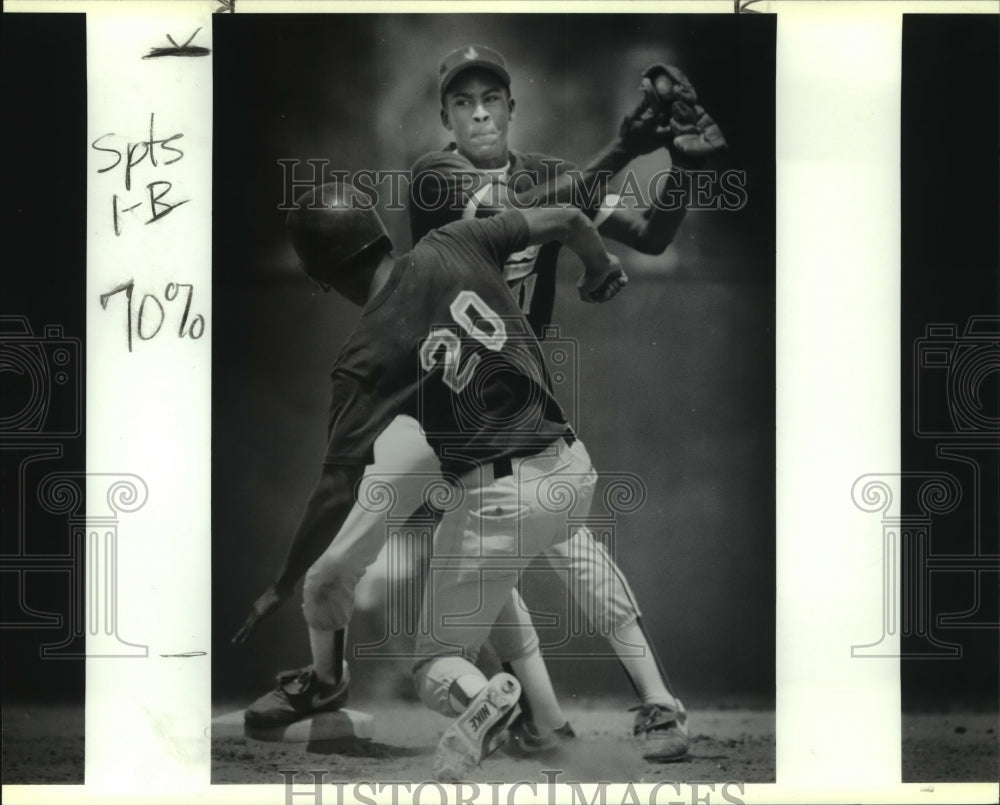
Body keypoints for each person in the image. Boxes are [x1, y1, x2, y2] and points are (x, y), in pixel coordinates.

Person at [234, 180, 625, 782]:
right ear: (379, 233)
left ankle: (488, 702)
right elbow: (572, 218)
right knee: (487, 583)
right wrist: (599, 268)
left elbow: (337, 490)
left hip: (499, 496)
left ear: (320, 276)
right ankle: (548, 726)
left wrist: (281, 584)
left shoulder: (365, 353)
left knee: (436, 665)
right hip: (571, 471)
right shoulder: (456, 240)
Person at [400, 45, 722, 757]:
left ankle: (553, 714)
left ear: (511, 107)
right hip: (534, 439)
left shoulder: (549, 175)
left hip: (491, 431)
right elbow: (526, 216)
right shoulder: (434, 177)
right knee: (565, 545)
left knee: (463, 612)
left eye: (491, 98)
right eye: (463, 102)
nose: (479, 113)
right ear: (446, 118)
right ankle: (582, 717)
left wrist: (681, 169)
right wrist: (628, 146)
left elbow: (651, 233)